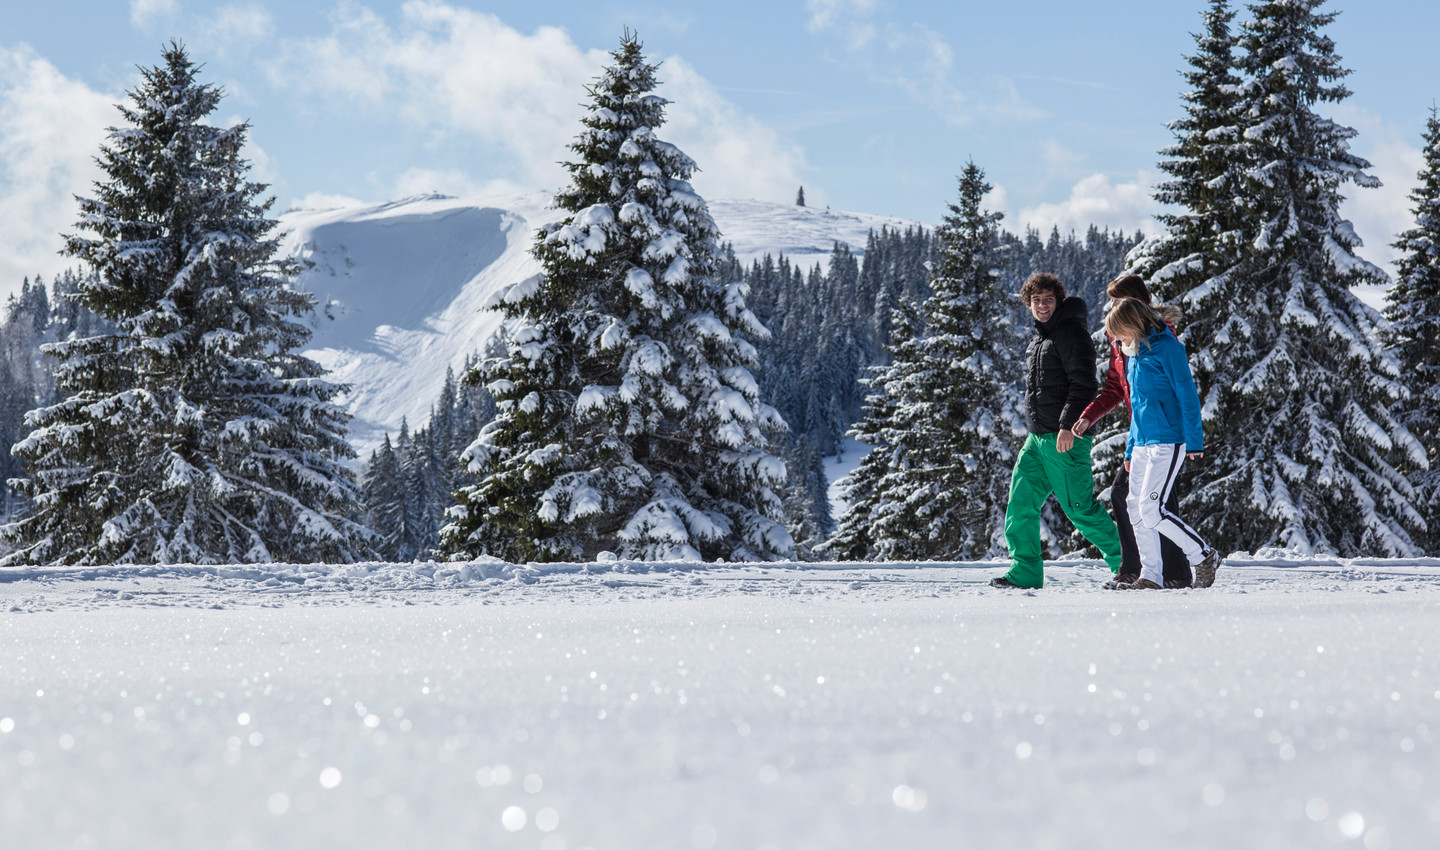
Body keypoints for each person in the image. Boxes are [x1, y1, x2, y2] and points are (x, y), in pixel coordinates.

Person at [991, 273, 1123, 589]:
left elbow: (1084, 384)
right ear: (1028, 304)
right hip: (1037, 439)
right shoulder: (1040, 339)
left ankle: (1127, 563)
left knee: (1081, 510)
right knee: (1021, 503)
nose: (1042, 305)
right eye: (1036, 300)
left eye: (1048, 299)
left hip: (1066, 438)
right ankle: (1025, 571)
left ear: (1058, 301)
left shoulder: (1071, 334)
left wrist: (1067, 426)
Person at [1071, 275, 1192, 588]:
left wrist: (1190, 437)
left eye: (1118, 300)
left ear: (1137, 303)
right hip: (1141, 432)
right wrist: (1089, 416)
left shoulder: (1157, 338)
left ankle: (1170, 572)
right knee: (1139, 499)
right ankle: (1149, 570)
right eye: (1111, 301)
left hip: (1163, 432)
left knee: (1144, 500)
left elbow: (1181, 389)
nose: (1112, 306)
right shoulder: (1120, 339)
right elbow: (1115, 387)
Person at [1102, 297, 1220, 590]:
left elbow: (1187, 395)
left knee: (1153, 510)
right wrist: (1130, 449)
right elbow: (1138, 408)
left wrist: (1193, 440)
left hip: (1168, 440)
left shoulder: (1169, 348)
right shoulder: (1135, 354)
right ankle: (1151, 576)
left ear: (1134, 325)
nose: (1117, 340)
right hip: (1142, 442)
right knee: (1134, 508)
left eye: (1120, 333)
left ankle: (1203, 555)